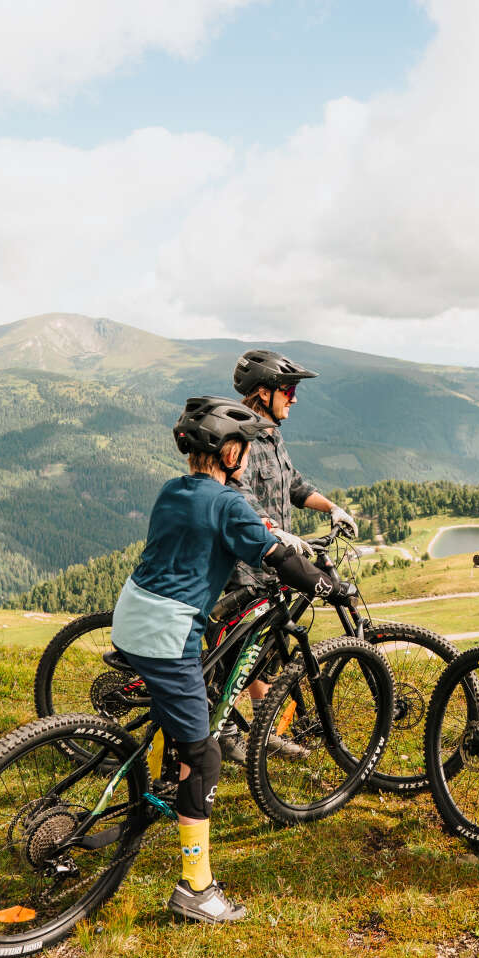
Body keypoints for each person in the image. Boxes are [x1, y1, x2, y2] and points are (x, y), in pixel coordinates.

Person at [109, 396, 353, 924]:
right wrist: (325, 585)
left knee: (179, 706)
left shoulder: (172, 491)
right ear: (232, 451)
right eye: (243, 447)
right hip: (167, 634)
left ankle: (157, 784)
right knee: (208, 757)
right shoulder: (229, 504)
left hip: (130, 617)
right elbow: (275, 556)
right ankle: (196, 889)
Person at [215, 349, 359, 762]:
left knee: (265, 651)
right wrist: (274, 529)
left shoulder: (273, 435)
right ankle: (229, 733)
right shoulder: (240, 439)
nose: (294, 398)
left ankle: (261, 732)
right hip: (246, 565)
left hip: (273, 560)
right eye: (288, 390)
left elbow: (294, 484)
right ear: (263, 393)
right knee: (241, 652)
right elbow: (239, 496)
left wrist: (331, 508)